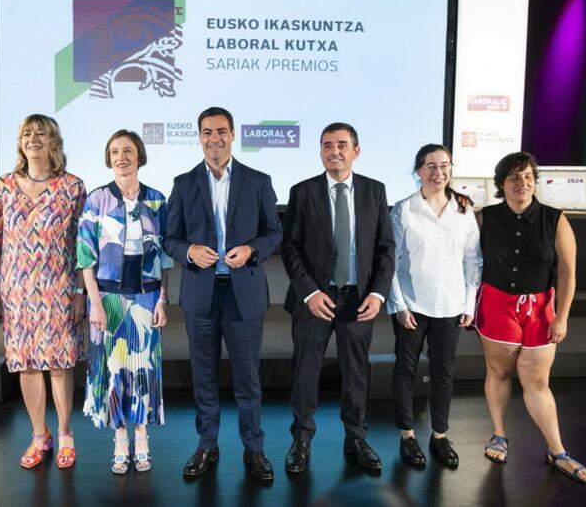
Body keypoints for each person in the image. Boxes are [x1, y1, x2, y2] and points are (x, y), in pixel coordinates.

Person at [164, 107, 282, 481]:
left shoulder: (258, 181)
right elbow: (169, 238)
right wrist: (188, 251)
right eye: (207, 132)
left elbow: (274, 233)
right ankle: (207, 445)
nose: (214, 138)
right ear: (199, 137)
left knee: (248, 378)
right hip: (201, 294)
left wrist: (251, 249)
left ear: (232, 135)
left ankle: (254, 449)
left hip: (242, 293)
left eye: (220, 131)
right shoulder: (183, 183)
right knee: (204, 377)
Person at [281, 122, 395, 473]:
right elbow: (290, 248)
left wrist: (377, 293)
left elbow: (386, 248)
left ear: (355, 151)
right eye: (327, 145)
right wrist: (310, 292)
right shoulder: (302, 192)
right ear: (320, 151)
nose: (335, 151)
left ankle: (356, 438)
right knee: (305, 371)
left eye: (342, 144)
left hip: (358, 299)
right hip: (314, 299)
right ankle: (301, 440)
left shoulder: (375, 191)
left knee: (356, 373)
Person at [476, 152, 586, 483]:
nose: (522, 183)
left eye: (528, 176)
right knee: (498, 372)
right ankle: (499, 435)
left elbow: (568, 272)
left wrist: (562, 317)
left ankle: (558, 452)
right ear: (501, 183)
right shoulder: (484, 218)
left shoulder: (555, 219)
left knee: (537, 381)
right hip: (497, 304)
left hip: (540, 309)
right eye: (514, 177)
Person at [0, 114, 86, 469]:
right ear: (20, 141)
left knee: (59, 363)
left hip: (59, 288)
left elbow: (82, 245)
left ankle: (66, 433)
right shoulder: (3, 187)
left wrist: (80, 291)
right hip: (17, 290)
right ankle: (40, 435)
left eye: (42, 133)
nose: (34, 139)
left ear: (54, 141)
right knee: (26, 364)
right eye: (27, 133)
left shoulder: (72, 187)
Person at [78, 130, 173, 474]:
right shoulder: (97, 199)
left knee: (143, 369)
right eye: (115, 151)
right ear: (109, 158)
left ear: (139, 156)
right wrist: (95, 303)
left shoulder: (157, 200)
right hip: (108, 299)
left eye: (128, 150)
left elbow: (166, 260)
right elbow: (85, 257)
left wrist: (163, 300)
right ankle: (120, 438)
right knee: (114, 369)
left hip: (147, 296)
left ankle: (142, 436)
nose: (122, 157)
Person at [386, 144, 482, 469]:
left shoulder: (463, 210)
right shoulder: (404, 210)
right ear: (418, 171)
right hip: (411, 305)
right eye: (430, 166)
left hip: (451, 305)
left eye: (444, 165)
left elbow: (473, 261)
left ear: (451, 169)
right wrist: (399, 305)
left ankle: (440, 435)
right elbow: (390, 262)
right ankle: (407, 435)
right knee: (405, 370)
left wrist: (469, 303)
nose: (438, 172)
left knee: (443, 372)